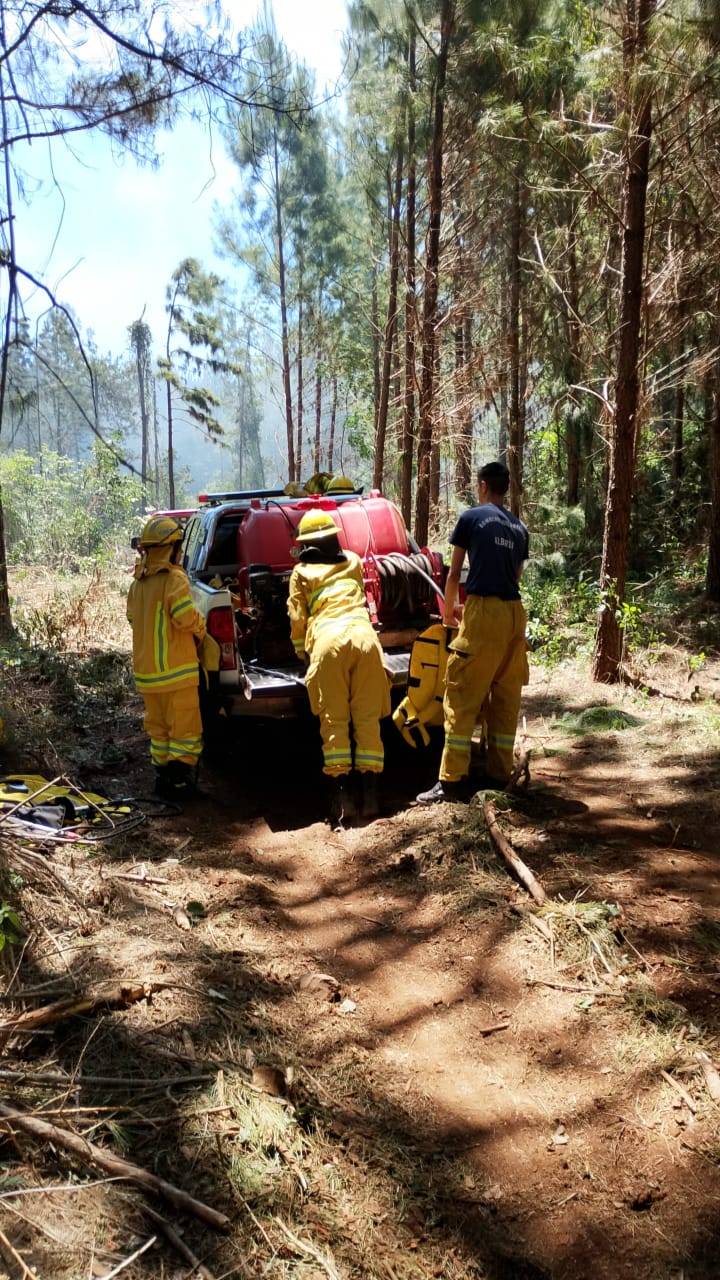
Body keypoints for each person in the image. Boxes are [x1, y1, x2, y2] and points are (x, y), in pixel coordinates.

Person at [417, 460, 529, 803]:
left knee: (462, 696)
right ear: (504, 489)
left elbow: (453, 574)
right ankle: (497, 777)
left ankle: (450, 783)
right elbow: (515, 577)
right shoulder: (520, 528)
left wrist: (450, 614)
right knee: (505, 698)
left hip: (483, 613)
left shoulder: (472, 518)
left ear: (482, 486)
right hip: (514, 615)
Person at [287, 509, 391, 822]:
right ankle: (370, 798)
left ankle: (342, 800)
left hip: (328, 644)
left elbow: (297, 619)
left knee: (334, 721)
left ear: (306, 545)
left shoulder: (301, 573)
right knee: (367, 718)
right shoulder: (353, 562)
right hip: (365, 641)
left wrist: (300, 653)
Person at [127, 514, 208, 799]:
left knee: (160, 732)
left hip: (148, 677)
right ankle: (181, 785)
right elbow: (184, 615)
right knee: (185, 732)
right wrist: (201, 627)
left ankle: (162, 782)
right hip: (177, 674)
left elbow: (132, 618)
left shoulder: (137, 584)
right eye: (178, 545)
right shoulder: (174, 579)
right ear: (171, 548)